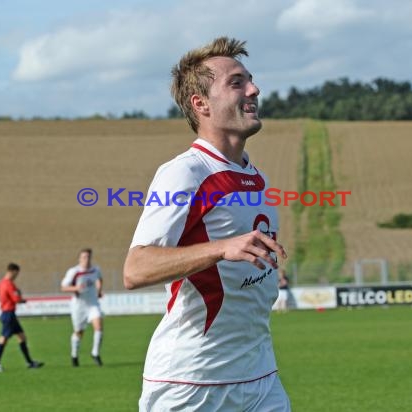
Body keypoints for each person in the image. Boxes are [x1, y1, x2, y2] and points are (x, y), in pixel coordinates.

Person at [124, 37, 291, 411]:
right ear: (201, 105)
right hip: (193, 384)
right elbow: (136, 269)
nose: (254, 88)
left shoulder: (255, 177)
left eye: (250, 79)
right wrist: (221, 248)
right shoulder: (185, 172)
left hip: (260, 379)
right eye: (236, 82)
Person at [0, 263, 44, 372]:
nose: (17, 276)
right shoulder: (9, 284)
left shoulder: (0, 283)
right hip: (9, 313)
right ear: (13, 271)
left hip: (7, 313)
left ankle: (30, 362)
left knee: (22, 337)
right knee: (3, 339)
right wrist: (22, 299)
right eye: (17, 273)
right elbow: (16, 299)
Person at [61, 248, 104, 367]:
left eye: (88, 257)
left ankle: (95, 353)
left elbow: (99, 279)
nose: (87, 259)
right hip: (78, 306)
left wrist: (99, 290)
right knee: (79, 332)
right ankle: (74, 355)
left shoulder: (95, 269)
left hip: (93, 304)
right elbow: (63, 287)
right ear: (79, 258)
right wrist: (75, 288)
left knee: (99, 326)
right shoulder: (74, 272)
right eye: (84, 257)